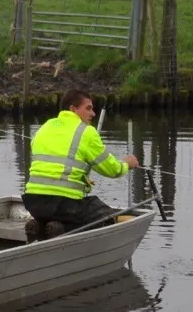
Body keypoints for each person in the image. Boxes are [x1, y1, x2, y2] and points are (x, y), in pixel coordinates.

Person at [22, 89, 139, 242]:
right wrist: (127, 164)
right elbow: (112, 170)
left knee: (62, 214)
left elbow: (54, 165)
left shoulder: (44, 127)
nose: (93, 114)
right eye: (88, 108)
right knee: (103, 214)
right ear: (72, 109)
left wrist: (82, 179)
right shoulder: (86, 132)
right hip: (63, 204)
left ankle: (38, 225)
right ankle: (61, 229)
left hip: (33, 202)